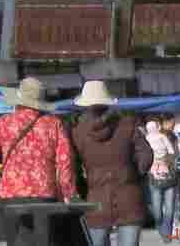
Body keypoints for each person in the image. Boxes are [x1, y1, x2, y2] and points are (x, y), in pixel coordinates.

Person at [0, 78, 77, 246]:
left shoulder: (5, 123)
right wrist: (68, 193)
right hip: (43, 195)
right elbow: (65, 161)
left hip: (10, 195)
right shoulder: (53, 124)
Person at [70, 81, 152, 246]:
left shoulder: (77, 132)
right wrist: (133, 174)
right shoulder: (128, 124)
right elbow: (146, 155)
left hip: (95, 199)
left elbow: (72, 166)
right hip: (128, 196)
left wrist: (83, 188)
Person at [143, 116, 177, 241]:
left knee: (170, 207)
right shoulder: (145, 139)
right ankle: (161, 228)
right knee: (157, 209)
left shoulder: (163, 137)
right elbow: (143, 156)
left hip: (168, 175)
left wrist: (166, 159)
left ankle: (166, 233)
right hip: (153, 177)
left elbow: (172, 152)